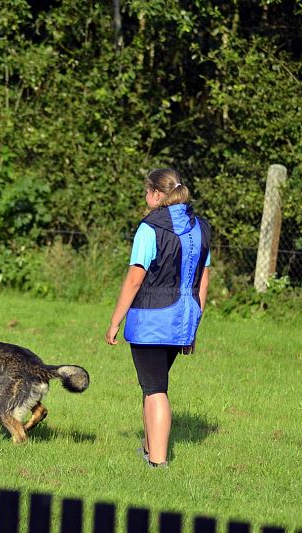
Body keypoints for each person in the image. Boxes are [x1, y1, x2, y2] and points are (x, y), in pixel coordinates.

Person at [104, 168, 211, 468]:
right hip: (184, 318)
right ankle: (149, 449)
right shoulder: (201, 227)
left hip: (151, 320)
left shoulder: (149, 228)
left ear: (155, 193)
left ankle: (158, 462)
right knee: (153, 384)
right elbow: (203, 280)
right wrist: (194, 325)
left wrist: (115, 320)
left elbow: (134, 280)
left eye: (146, 190)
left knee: (155, 390)